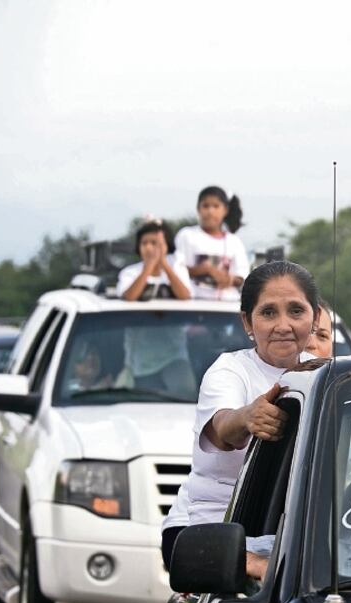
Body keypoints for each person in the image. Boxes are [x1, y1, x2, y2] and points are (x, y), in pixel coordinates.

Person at [160, 261, 321, 569]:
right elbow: (223, 427)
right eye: (269, 312)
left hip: (288, 532)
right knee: (276, 574)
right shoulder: (229, 370)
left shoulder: (322, 372)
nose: (283, 325)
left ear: (314, 316)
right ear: (247, 321)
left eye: (296, 311)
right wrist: (248, 418)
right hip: (209, 532)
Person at [174, 186, 251, 301]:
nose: (210, 211)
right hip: (194, 302)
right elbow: (176, 269)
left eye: (216, 206)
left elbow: (242, 276)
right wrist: (205, 270)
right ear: (198, 209)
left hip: (227, 303)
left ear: (225, 210)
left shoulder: (234, 241)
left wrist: (229, 279)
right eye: (205, 206)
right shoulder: (187, 235)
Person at [117, 219, 191, 301]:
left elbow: (184, 296)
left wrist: (164, 263)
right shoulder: (129, 272)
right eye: (144, 243)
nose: (148, 248)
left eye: (154, 243)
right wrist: (149, 266)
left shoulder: (178, 269)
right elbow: (129, 297)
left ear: (166, 246)